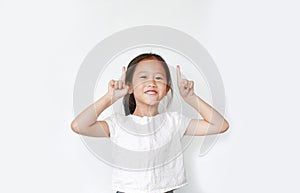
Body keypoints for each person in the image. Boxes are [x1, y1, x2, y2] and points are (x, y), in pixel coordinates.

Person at [71, 53, 229, 193]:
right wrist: (109, 97)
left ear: (166, 89)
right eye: (143, 77)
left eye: (159, 78)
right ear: (130, 87)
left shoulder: (174, 122)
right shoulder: (118, 123)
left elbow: (220, 125)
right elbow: (79, 126)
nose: (152, 82)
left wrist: (191, 98)